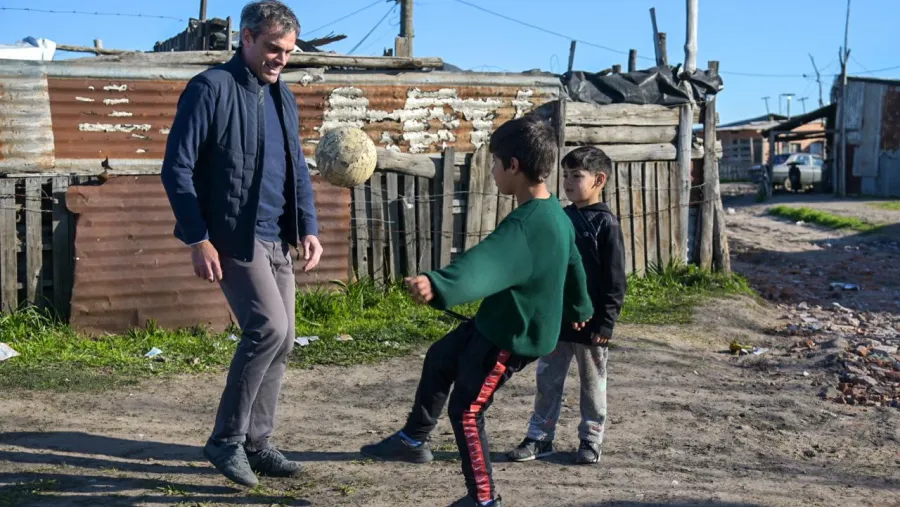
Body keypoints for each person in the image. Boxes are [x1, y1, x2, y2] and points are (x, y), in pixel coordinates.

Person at [359, 115, 595, 507]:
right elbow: (573, 265)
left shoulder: (526, 224)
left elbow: (485, 264)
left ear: (513, 166)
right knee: (440, 358)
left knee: (467, 411)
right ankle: (413, 439)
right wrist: (580, 306)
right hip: (495, 321)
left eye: (495, 164)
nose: (494, 173)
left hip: (510, 336)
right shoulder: (555, 213)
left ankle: (484, 499)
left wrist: (438, 285)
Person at [160, 0, 321, 488]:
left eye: (288, 51)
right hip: (233, 236)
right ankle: (226, 440)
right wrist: (198, 238)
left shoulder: (282, 97)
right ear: (246, 39)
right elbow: (177, 169)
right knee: (267, 328)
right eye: (273, 48)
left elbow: (297, 170)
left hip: (277, 238)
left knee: (285, 338)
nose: (280, 59)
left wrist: (309, 226)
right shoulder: (211, 88)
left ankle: (259, 443)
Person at [506, 146, 627, 466]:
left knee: (592, 385)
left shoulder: (606, 224)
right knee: (547, 382)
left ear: (599, 180)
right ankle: (539, 437)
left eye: (577, 176)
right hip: (557, 322)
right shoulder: (560, 217)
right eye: (566, 176)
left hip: (590, 327)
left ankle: (590, 440)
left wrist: (605, 324)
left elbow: (615, 281)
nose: (568, 183)